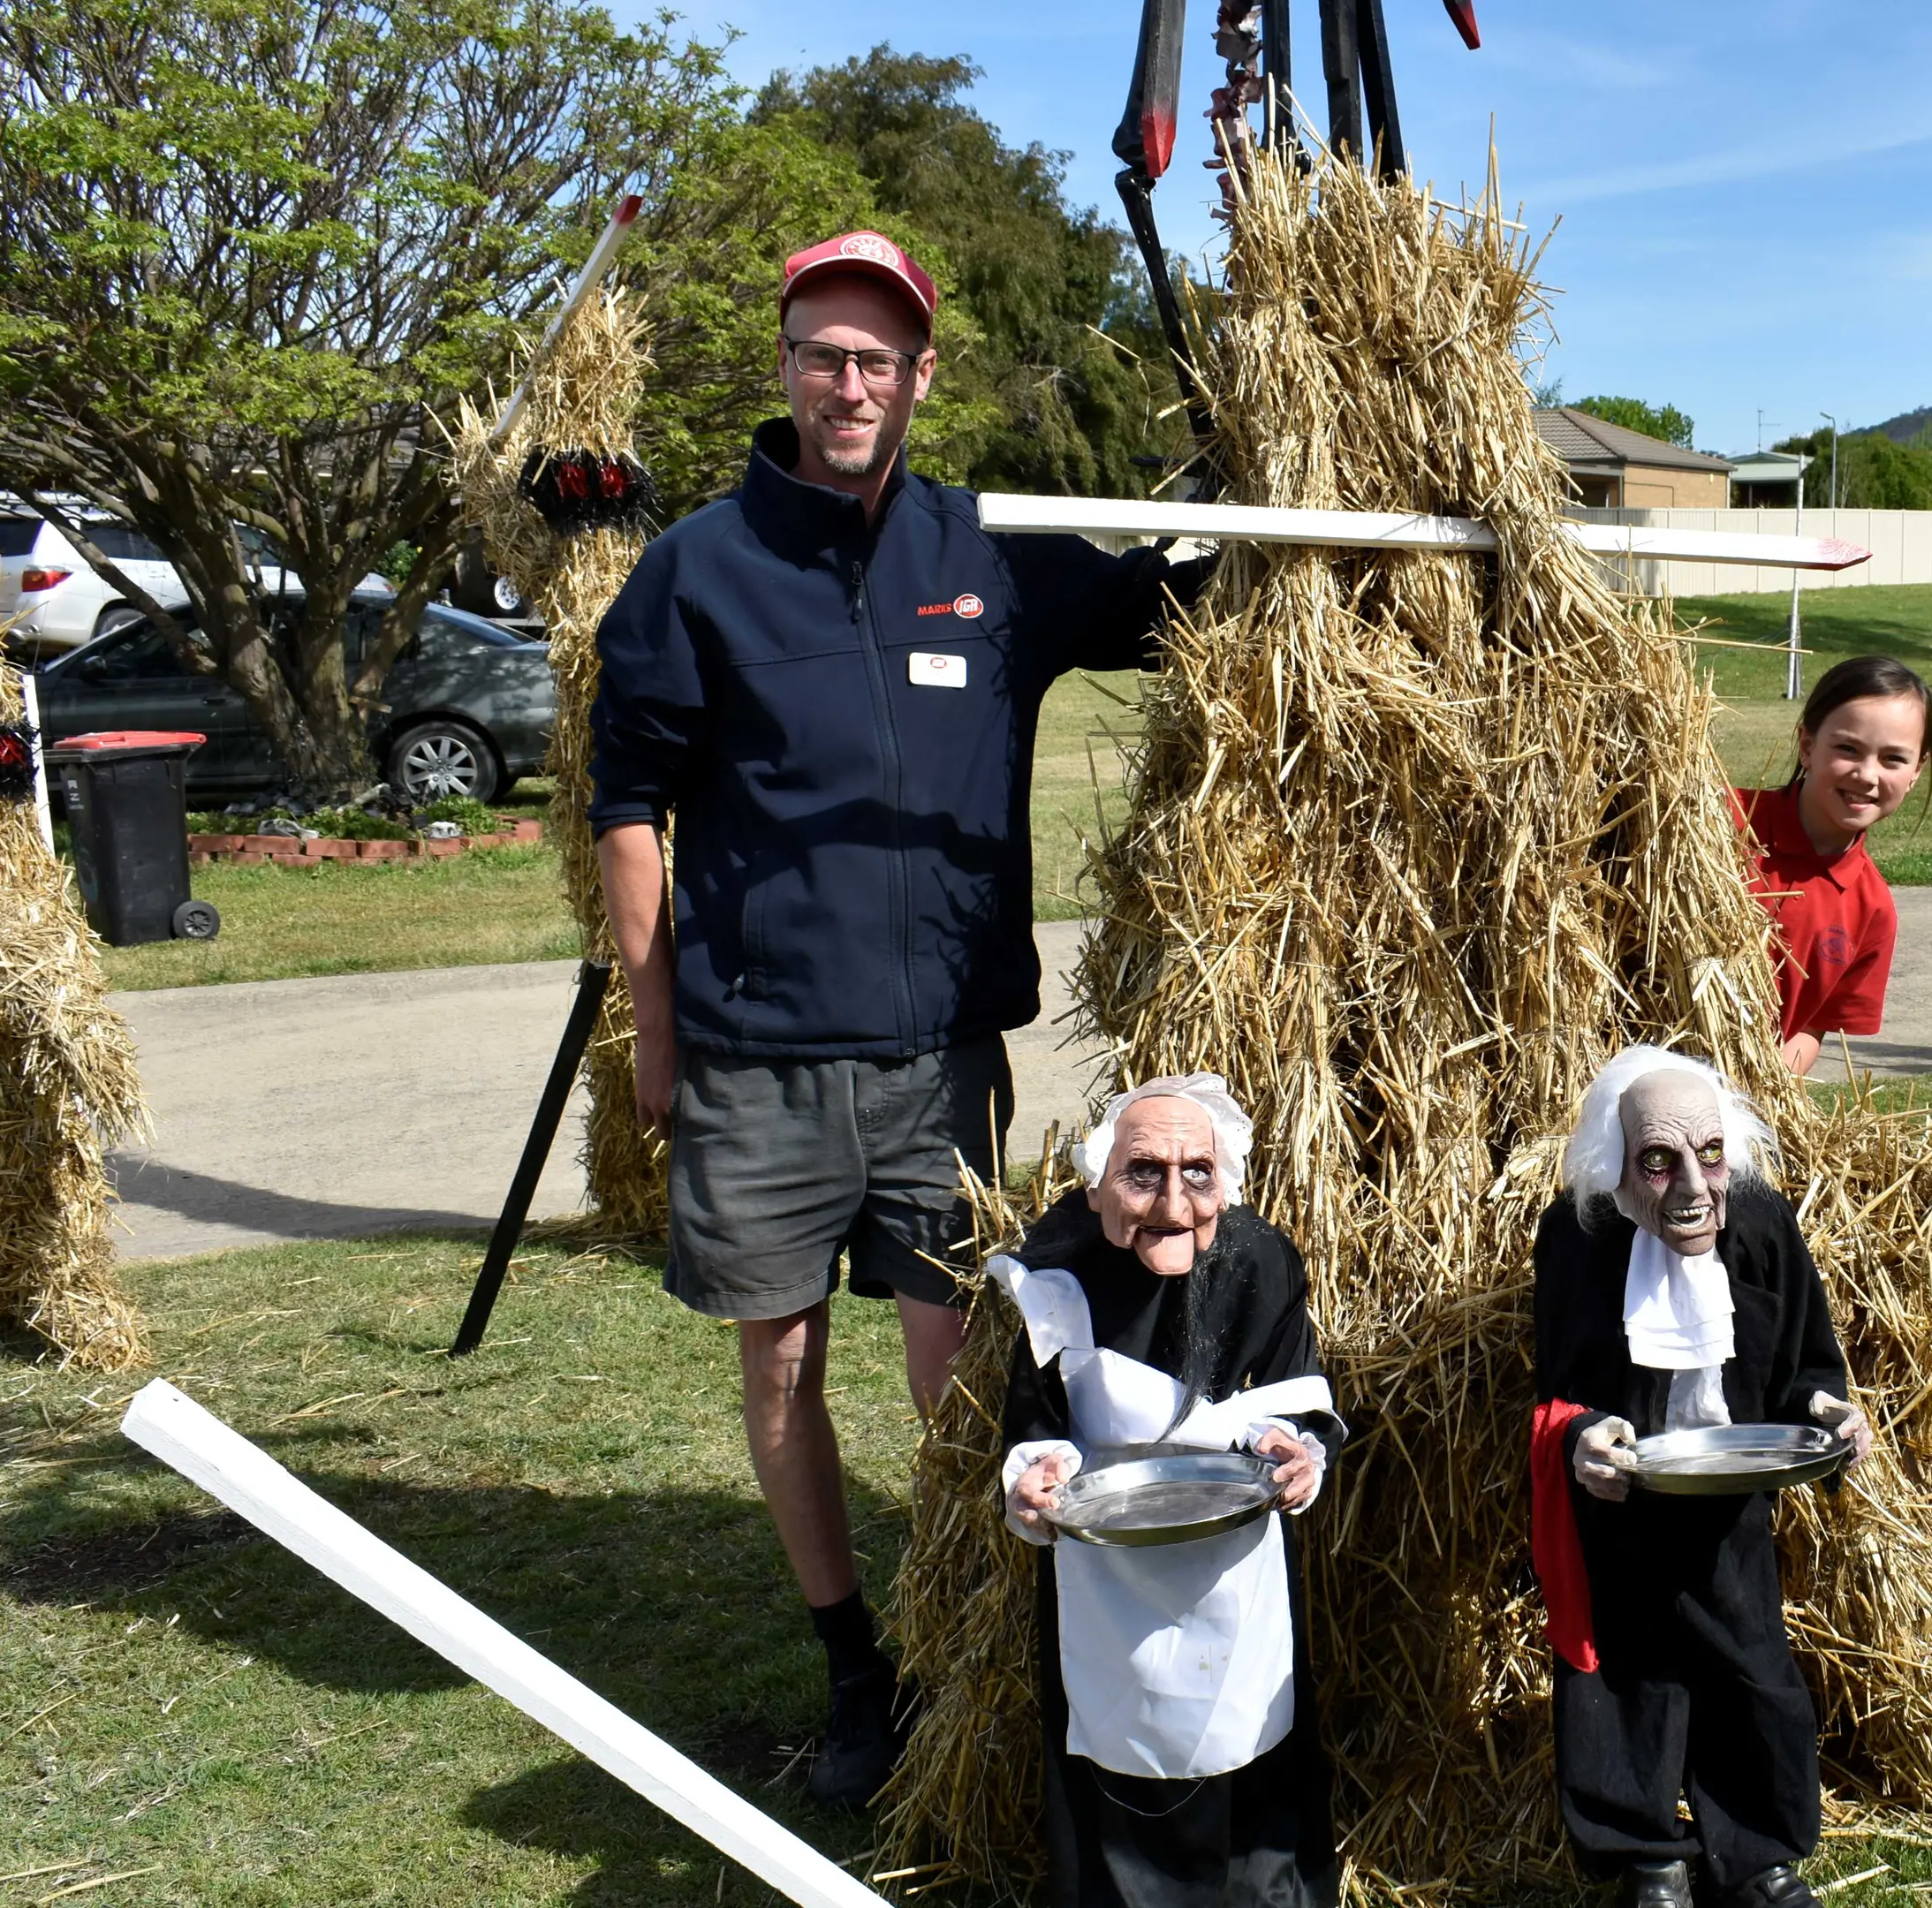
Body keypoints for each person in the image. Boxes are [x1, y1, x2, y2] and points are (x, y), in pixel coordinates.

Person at [588, 227, 1216, 1810]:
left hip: (942, 1059)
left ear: (921, 377)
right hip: (755, 1053)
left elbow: (1181, 606)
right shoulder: (698, 568)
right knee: (785, 1366)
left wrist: (1256, 473)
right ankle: (853, 1662)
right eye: (823, 354)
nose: (848, 382)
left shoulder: (990, 552)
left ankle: (969, 1634)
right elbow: (628, 807)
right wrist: (656, 1031)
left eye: (878, 359)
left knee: (957, 1368)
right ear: (785, 369)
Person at [1526, 1048, 1873, 1908]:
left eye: (1710, 1155)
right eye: (1659, 1161)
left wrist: (1829, 1413)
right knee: (1627, 1678)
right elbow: (1556, 1390)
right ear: (1619, 1167)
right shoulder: (1578, 1238)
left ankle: (1757, 1857)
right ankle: (1649, 1857)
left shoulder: (1759, 1225)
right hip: (1624, 1505)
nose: (1691, 1186)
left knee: (1751, 1667)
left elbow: (1807, 1367)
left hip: (1733, 1500)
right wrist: (1582, 1437)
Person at [994, 1077, 1344, 1908]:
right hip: (1103, 1565)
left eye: (1199, 1173)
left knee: (1253, 1742)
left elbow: (1302, 1394)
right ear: (1096, 1183)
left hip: (1238, 1555)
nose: (1173, 1203)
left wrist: (1301, 1456)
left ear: (1228, 1182)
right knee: (1121, 1758)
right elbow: (1032, 1424)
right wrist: (1034, 1481)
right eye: (1143, 1173)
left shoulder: (1260, 1256)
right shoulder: (1060, 1275)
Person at [1733, 656, 1930, 1075]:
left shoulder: (1872, 911)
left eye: (1893, 759)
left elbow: (1810, 1029)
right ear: (1807, 746)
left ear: (1916, 772)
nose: (1866, 774)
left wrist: (1760, 1090)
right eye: (1848, 749)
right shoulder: (1720, 820)